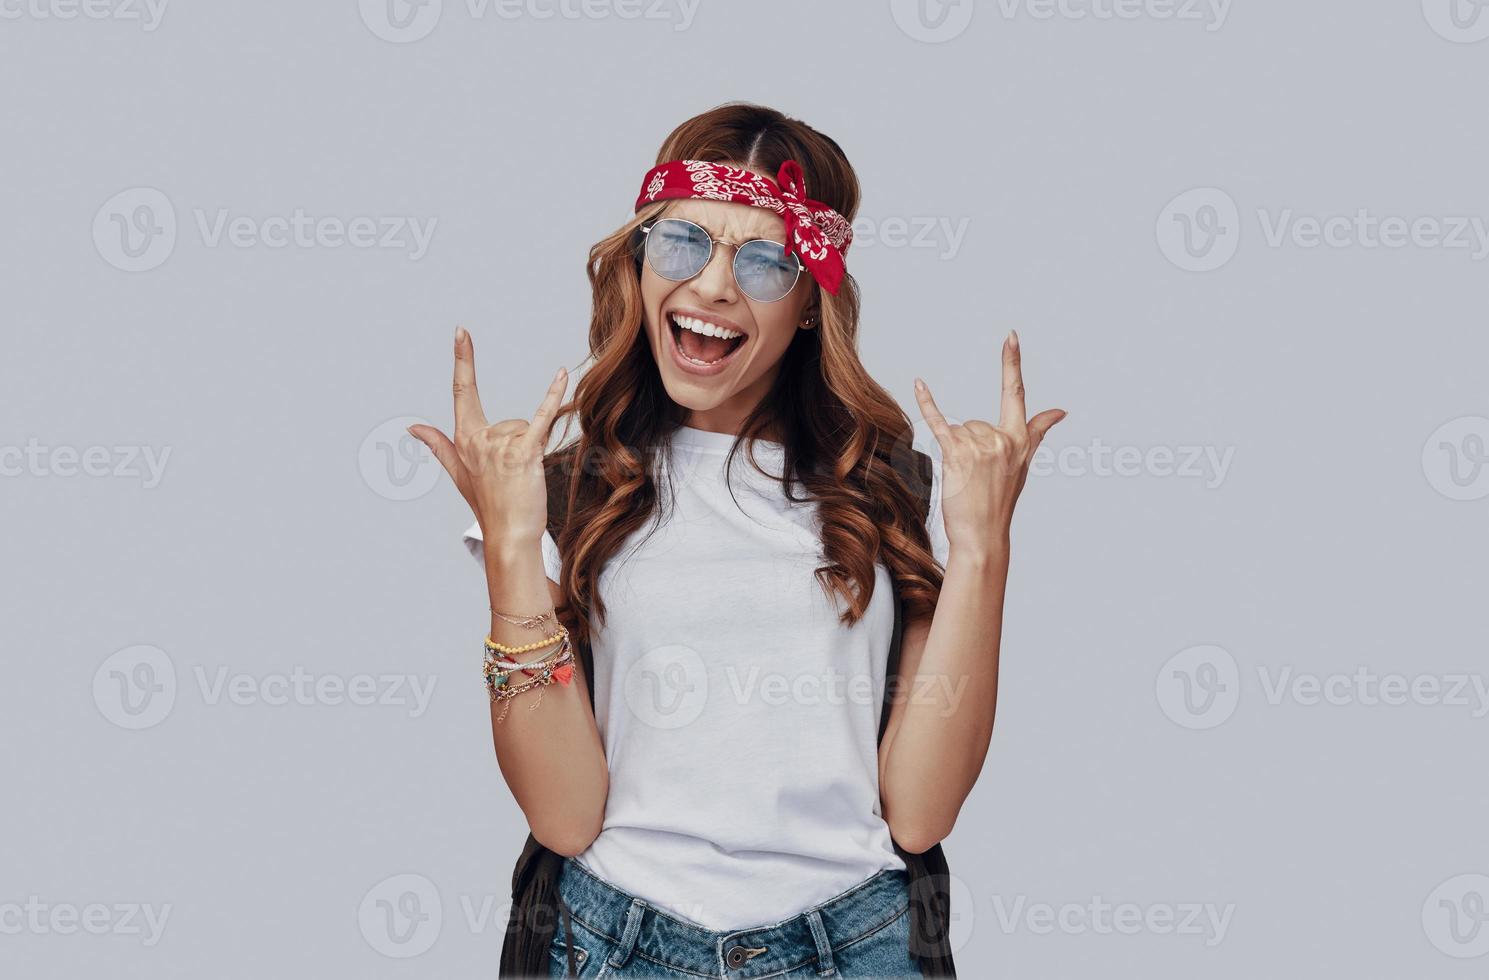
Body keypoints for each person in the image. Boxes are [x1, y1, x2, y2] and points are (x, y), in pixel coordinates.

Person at [409, 101, 1064, 978]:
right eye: (683, 243)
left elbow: (919, 813)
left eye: (764, 262)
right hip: (614, 943)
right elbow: (563, 819)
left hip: (854, 943)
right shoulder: (568, 492)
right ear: (639, 265)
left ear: (806, 306)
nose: (714, 286)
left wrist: (983, 548)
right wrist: (511, 545)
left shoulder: (886, 490)